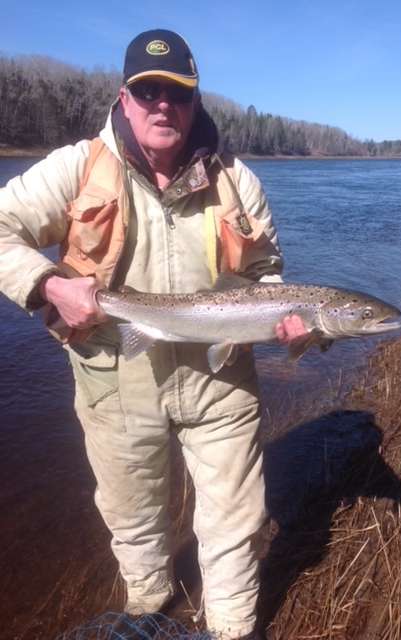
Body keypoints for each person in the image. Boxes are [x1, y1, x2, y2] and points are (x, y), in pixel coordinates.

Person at [0, 29, 306, 639]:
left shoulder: (236, 179)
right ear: (125, 96)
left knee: (234, 525)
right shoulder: (78, 166)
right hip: (117, 380)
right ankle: (146, 612)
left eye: (179, 93)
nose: (164, 104)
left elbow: (266, 271)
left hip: (221, 383)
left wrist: (288, 324)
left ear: (196, 102)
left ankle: (231, 629)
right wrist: (49, 284)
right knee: (136, 521)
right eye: (150, 91)